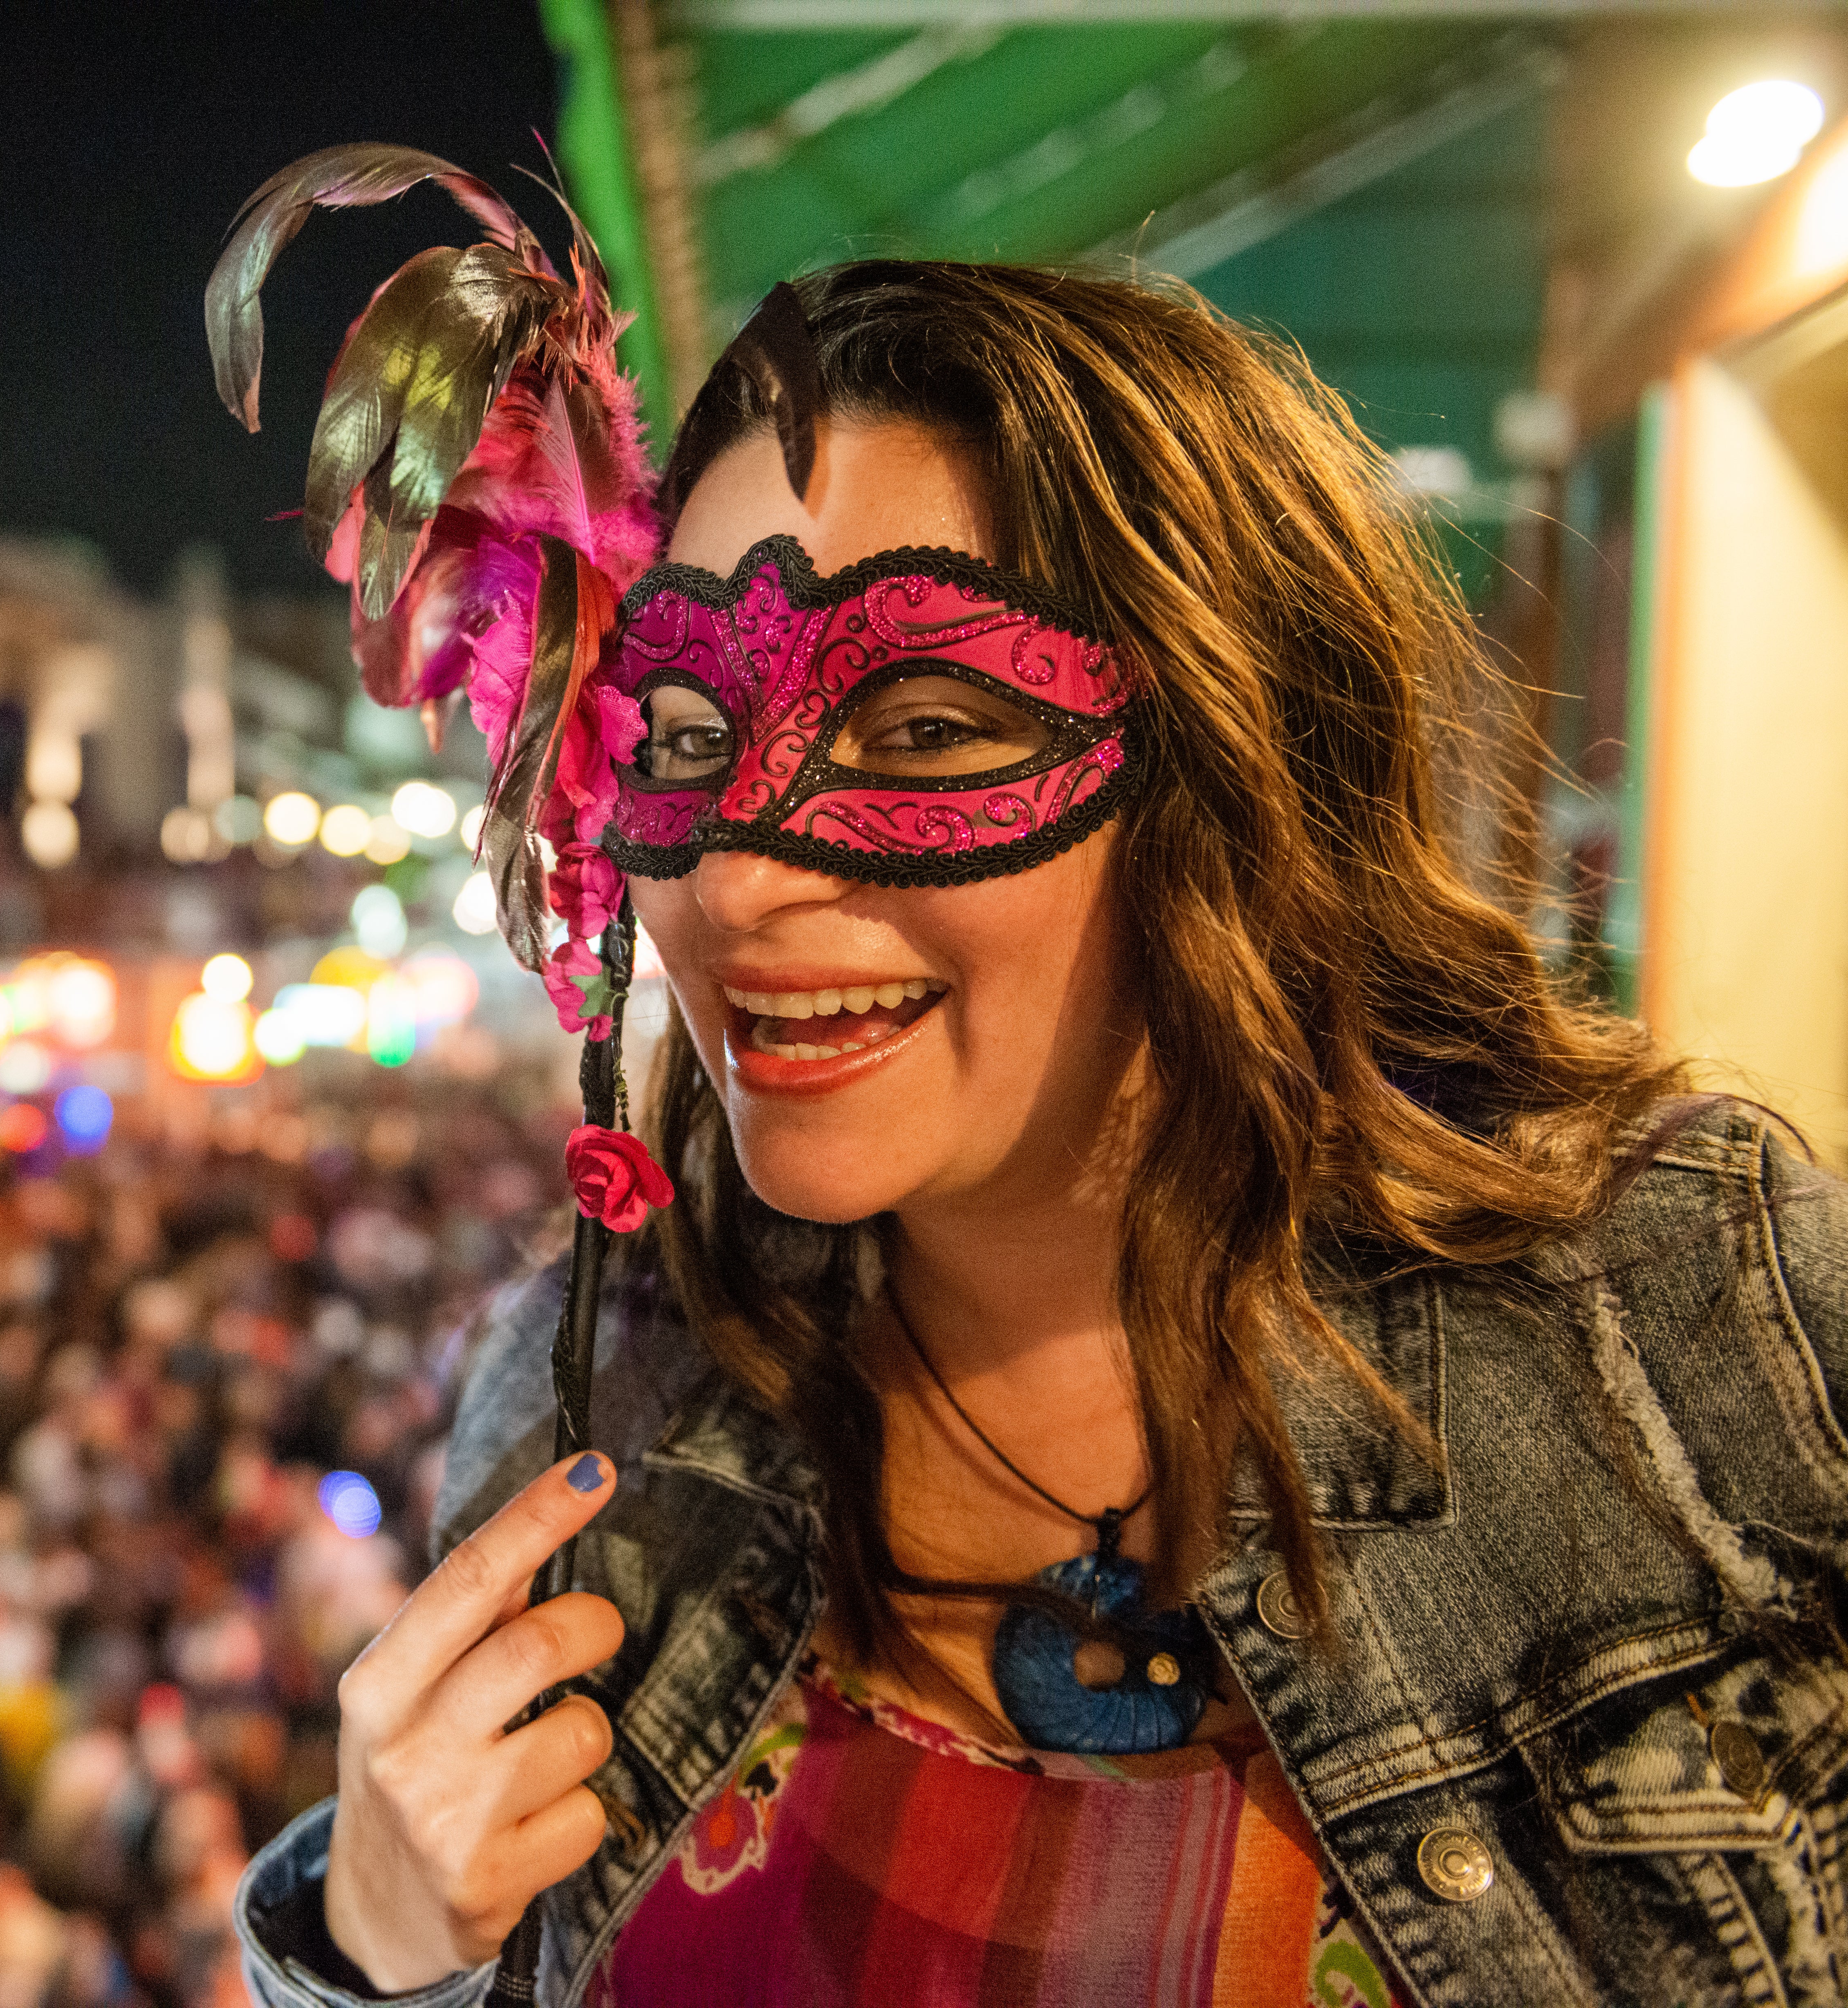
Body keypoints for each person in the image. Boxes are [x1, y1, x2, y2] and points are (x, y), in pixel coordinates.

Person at [211, 148, 1848, 2006]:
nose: (735, 876)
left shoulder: (1710, 1324)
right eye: (683, 732)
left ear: (1237, 766)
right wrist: (380, 1958)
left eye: (922, 725)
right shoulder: (597, 1405)